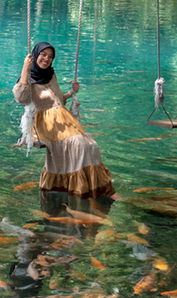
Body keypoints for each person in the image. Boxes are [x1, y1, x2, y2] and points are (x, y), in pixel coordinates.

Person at [13, 41, 120, 200]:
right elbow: (21, 98)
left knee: (91, 146)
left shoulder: (51, 74)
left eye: (50, 57)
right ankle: (81, 191)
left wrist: (72, 92)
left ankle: (101, 189)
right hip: (48, 125)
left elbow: (58, 101)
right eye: (43, 54)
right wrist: (25, 68)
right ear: (35, 55)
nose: (46, 59)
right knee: (80, 146)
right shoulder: (27, 79)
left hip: (66, 121)